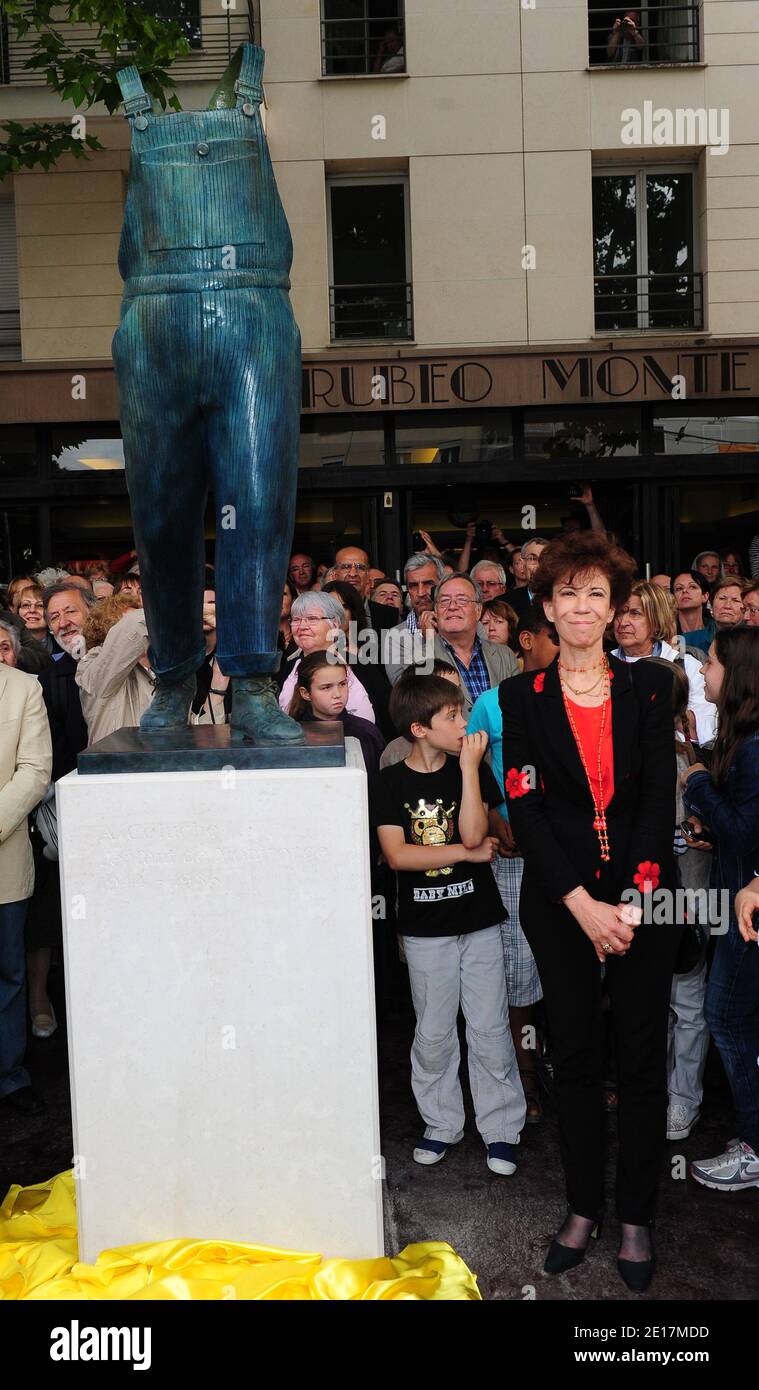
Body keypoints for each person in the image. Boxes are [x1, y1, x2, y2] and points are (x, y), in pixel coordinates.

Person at [501, 531, 681, 1292]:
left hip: (641, 902)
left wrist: (628, 904)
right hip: (558, 903)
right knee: (572, 1060)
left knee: (641, 1060)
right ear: (546, 608)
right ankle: (581, 1206)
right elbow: (525, 800)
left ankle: (635, 1213)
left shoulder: (649, 688)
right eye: (567, 593)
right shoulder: (521, 696)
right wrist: (579, 903)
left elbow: (653, 798)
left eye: (595, 594)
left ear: (615, 610)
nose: (581, 606)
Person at [372, 675, 526, 1174]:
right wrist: (465, 853)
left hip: (478, 920)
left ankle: (501, 1129)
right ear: (419, 728)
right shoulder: (390, 781)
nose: (465, 724)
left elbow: (479, 831)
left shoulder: (472, 770)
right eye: (453, 718)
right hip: (424, 929)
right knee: (434, 1031)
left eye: (464, 714)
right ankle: (440, 1123)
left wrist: (468, 768)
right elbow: (398, 855)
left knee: (489, 1028)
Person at [468, 605, 556, 1123]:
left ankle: (565, 1062)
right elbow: (471, 764)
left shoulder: (579, 697)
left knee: (571, 961)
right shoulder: (491, 702)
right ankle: (523, 1069)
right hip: (512, 851)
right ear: (526, 641)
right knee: (518, 963)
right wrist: (497, 816)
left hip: (568, 850)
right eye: (552, 638)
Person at [683, 628, 759, 1192]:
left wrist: (699, 783)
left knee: (728, 1019)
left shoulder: (754, 748)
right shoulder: (747, 741)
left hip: (749, 915)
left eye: (709, 663)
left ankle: (755, 1147)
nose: (703, 673)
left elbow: (742, 829)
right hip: (741, 900)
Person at [642, 657, 712, 1143]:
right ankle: (650, 1093)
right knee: (650, 1003)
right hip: (639, 902)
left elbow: (699, 835)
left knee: (687, 1006)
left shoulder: (688, 759)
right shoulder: (625, 754)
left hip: (687, 900)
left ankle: (682, 1099)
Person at [0, 665, 53, 1114]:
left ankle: (9, 1079)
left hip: (4, 855)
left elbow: (35, 771)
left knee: (7, 975)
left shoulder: (23, 688)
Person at [610, 580, 716, 746]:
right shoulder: (603, 665)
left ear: (657, 621)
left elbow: (705, 733)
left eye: (635, 613)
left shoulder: (685, 665)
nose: (623, 622)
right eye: (619, 613)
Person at [387, 573, 518, 701]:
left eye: (462, 600)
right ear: (436, 611)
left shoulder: (505, 656)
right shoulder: (416, 660)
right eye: (444, 601)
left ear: (478, 611)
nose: (452, 607)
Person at [278, 591, 375, 722]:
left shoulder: (360, 666)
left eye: (312, 619)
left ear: (334, 624)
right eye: (296, 620)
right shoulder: (287, 668)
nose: (302, 626)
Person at [288, 651, 385, 777]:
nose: (337, 694)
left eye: (342, 684)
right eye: (326, 687)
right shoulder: (291, 736)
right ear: (305, 693)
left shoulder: (366, 732)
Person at [75, 594, 154, 745]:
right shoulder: (92, 664)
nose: (146, 628)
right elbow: (133, 629)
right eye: (124, 624)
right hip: (118, 764)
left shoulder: (161, 667)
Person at [323, 579, 393, 737]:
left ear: (354, 611)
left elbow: (385, 700)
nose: (337, 614)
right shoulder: (314, 654)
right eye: (330, 608)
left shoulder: (375, 650)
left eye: (344, 606)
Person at [333, 546, 399, 637]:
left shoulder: (389, 615)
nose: (353, 574)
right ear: (334, 575)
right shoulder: (322, 613)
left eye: (360, 567)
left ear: (368, 576)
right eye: (346, 567)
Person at [191, 585, 231, 724]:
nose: (205, 611)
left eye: (211, 605)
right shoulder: (185, 660)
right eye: (200, 606)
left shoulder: (232, 655)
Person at [673, 570, 716, 656]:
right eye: (679, 588)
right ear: (673, 597)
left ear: (705, 596)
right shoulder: (667, 632)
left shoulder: (715, 629)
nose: (685, 590)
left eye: (692, 587)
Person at [507, 538, 550, 618]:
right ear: (523, 565)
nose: (538, 566)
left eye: (544, 559)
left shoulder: (564, 600)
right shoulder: (506, 603)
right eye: (532, 559)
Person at [16, 585, 59, 657]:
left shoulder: (62, 646)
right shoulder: (6, 645)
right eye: (26, 605)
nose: (32, 610)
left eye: (40, 605)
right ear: (17, 611)